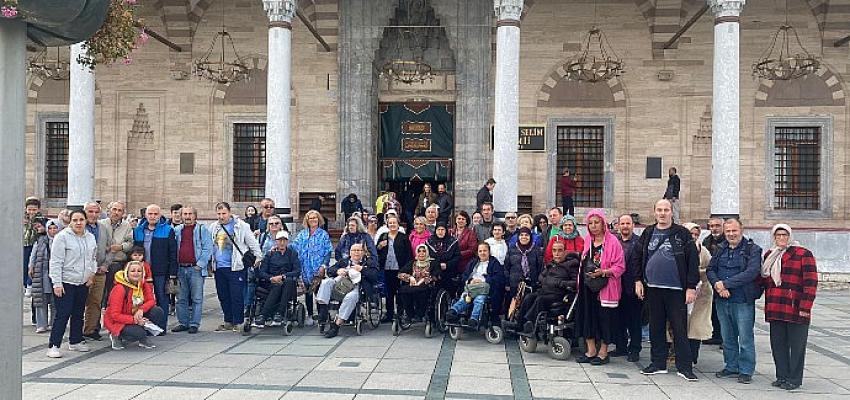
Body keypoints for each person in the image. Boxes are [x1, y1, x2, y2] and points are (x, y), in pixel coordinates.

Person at [635, 199, 700, 381]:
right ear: (654, 212)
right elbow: (638, 257)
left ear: (672, 212)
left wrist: (690, 287)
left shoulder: (682, 234)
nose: (662, 213)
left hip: (676, 290)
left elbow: (692, 262)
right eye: (659, 210)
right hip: (653, 289)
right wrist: (638, 280)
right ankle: (658, 363)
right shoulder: (648, 232)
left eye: (666, 210)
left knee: (679, 329)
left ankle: (684, 367)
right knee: (655, 327)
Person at [760, 224, 817, 391]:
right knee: (778, 345)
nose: (781, 238)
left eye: (784, 235)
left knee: (797, 346)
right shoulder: (770, 255)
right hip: (776, 307)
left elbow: (810, 282)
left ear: (790, 236)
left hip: (796, 308)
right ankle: (781, 375)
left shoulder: (802, 254)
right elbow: (766, 282)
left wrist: (805, 307)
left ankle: (794, 378)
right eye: (778, 235)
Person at [707, 218, 762, 384]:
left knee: (745, 337)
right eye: (728, 231)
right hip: (722, 300)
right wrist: (717, 285)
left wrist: (725, 284)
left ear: (741, 230)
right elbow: (710, 269)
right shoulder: (720, 249)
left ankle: (746, 370)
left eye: (734, 231)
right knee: (727, 336)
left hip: (742, 300)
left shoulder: (753, 250)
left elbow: (751, 273)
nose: (731, 234)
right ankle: (731, 366)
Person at [575, 209, 625, 366]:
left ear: (603, 224)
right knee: (588, 316)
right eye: (590, 223)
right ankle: (590, 350)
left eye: (597, 222)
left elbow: (620, 266)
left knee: (605, 319)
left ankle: (603, 352)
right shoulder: (587, 240)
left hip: (606, 286)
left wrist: (603, 272)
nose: (593, 226)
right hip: (588, 287)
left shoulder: (613, 242)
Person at [47, 210, 97, 358]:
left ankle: (75, 341)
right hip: (65, 282)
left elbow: (93, 258)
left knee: (78, 313)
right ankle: (53, 345)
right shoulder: (62, 237)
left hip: (82, 282)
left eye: (81, 219)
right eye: (75, 220)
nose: (78, 223)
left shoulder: (90, 237)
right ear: (70, 221)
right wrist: (56, 283)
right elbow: (55, 262)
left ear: (86, 221)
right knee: (63, 314)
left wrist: (91, 274)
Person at [209, 202, 263, 332]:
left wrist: (258, 256)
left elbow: (252, 242)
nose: (221, 216)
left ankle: (238, 321)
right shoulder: (213, 227)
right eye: (219, 214)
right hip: (219, 267)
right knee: (223, 295)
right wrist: (209, 263)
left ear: (229, 212)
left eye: (224, 213)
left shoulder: (241, 226)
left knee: (236, 295)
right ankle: (228, 320)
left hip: (236, 266)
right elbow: (210, 246)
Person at [514, 239, 579, 333]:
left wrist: (559, 283)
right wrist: (547, 281)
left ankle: (529, 324)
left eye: (560, 250)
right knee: (529, 297)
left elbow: (575, 283)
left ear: (565, 252)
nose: (557, 253)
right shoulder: (551, 264)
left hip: (559, 294)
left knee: (540, 300)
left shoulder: (571, 265)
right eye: (554, 250)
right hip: (545, 291)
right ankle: (519, 325)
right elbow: (541, 276)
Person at [132, 204, 178, 330]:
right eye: (150, 214)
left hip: (160, 271)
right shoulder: (138, 231)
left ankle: (161, 327)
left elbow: (173, 252)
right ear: (145, 215)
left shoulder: (168, 230)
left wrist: (173, 273)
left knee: (162, 298)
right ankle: (145, 326)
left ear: (160, 215)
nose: (152, 216)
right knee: (141, 299)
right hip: (141, 272)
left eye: (155, 214)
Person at [318, 243, 377, 338]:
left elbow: (374, 276)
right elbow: (329, 271)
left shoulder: (368, 262)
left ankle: (336, 325)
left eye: (359, 250)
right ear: (350, 252)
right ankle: (323, 310)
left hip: (357, 288)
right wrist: (338, 271)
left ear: (363, 252)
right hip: (339, 286)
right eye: (354, 250)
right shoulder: (344, 262)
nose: (356, 252)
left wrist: (362, 269)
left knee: (351, 297)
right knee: (326, 282)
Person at [104, 261, 165, 350]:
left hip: (135, 314)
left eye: (139, 271)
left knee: (157, 311)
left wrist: (141, 310)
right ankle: (115, 335)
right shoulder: (119, 289)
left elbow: (151, 301)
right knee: (139, 333)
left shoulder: (143, 284)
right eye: (132, 271)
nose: (136, 273)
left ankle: (142, 337)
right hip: (118, 321)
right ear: (127, 273)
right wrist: (135, 320)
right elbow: (114, 315)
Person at [172, 206, 213, 334]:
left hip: (195, 269)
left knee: (196, 298)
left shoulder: (202, 229)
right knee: (181, 298)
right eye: (185, 214)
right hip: (180, 268)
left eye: (190, 214)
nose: (187, 216)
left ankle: (194, 323)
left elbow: (208, 248)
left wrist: (200, 265)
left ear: (195, 216)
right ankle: (183, 322)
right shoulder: (177, 230)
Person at [445, 242, 505, 329]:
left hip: (484, 289)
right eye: (480, 251)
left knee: (479, 300)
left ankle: (474, 319)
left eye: (485, 251)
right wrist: (470, 280)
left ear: (489, 252)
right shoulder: (473, 262)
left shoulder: (494, 263)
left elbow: (499, 278)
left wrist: (483, 280)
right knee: (464, 298)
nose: (482, 253)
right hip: (471, 288)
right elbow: (465, 275)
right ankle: (453, 311)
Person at [678, 222, 714, 365]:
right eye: (690, 234)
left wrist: (696, 273)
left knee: (696, 326)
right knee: (679, 325)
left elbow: (710, 268)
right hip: (680, 293)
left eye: (696, 234)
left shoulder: (703, 251)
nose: (693, 237)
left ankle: (693, 356)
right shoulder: (678, 248)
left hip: (700, 294)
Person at [291, 210, 333, 326]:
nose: (313, 220)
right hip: (305, 268)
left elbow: (328, 251)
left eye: (315, 218)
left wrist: (324, 266)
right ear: (307, 221)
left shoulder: (323, 234)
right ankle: (310, 315)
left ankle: (321, 316)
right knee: (308, 293)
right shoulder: (302, 234)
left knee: (320, 293)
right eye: (310, 218)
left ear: (318, 219)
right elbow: (293, 247)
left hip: (318, 268)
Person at [254, 231, 301, 328]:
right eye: (280, 240)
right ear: (276, 241)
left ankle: (279, 312)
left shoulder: (292, 254)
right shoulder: (269, 255)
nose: (282, 243)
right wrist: (271, 278)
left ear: (287, 241)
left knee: (288, 281)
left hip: (287, 281)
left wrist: (283, 276)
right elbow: (262, 272)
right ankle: (263, 315)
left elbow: (297, 270)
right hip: (271, 281)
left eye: (284, 240)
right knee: (277, 285)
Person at [612, 214, 643, 362]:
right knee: (618, 319)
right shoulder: (614, 242)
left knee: (634, 320)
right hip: (616, 286)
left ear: (633, 225)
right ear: (618, 226)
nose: (625, 226)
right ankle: (621, 346)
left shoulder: (639, 243)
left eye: (628, 223)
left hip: (633, 287)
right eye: (622, 223)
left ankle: (635, 349)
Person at [82, 201, 110, 341]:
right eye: (90, 211)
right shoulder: (80, 227)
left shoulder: (103, 228)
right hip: (83, 272)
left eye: (96, 212)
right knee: (80, 301)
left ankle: (90, 329)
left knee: (95, 301)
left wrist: (106, 264)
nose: (93, 215)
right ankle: (77, 329)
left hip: (100, 271)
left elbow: (109, 248)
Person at [377, 214, 412, 323]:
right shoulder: (383, 236)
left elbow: (409, 254)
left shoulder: (403, 237)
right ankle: (389, 314)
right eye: (390, 223)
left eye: (394, 223)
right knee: (389, 293)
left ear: (398, 224)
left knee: (400, 292)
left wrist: (406, 269)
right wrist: (379, 246)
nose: (392, 225)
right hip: (386, 269)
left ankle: (400, 313)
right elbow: (375, 251)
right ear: (387, 224)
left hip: (400, 269)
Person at [101, 201, 134, 309]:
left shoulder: (127, 226)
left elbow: (130, 243)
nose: (116, 212)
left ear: (123, 213)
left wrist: (120, 247)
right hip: (101, 264)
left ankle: (111, 319)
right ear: (109, 211)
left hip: (117, 263)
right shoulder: (101, 224)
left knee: (114, 294)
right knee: (99, 295)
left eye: (119, 210)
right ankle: (95, 323)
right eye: (114, 209)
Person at [503, 227, 544, 313]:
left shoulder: (536, 249)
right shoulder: (512, 249)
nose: (524, 237)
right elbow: (507, 267)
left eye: (526, 235)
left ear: (530, 237)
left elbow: (540, 267)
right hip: (514, 282)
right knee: (514, 306)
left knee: (528, 305)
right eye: (521, 235)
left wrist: (538, 282)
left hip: (532, 283)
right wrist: (507, 283)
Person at [397, 244, 440, 323]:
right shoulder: (413, 263)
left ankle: (420, 314)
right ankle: (410, 315)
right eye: (419, 251)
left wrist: (424, 279)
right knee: (403, 291)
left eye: (424, 251)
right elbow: (400, 273)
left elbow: (436, 276)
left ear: (427, 252)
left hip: (426, 286)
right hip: (413, 285)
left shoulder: (433, 263)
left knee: (422, 291)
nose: (421, 253)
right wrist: (410, 277)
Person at [702, 216, 726, 346]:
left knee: (724, 311)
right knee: (713, 310)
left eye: (717, 225)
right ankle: (716, 335)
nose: (714, 228)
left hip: (723, 280)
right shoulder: (707, 241)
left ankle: (725, 338)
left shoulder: (727, 240)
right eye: (711, 226)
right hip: (710, 279)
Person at [28, 218, 55, 333]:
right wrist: (31, 266)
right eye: (50, 228)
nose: (52, 230)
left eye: (55, 228)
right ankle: (41, 324)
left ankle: (54, 323)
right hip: (42, 272)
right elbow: (33, 254)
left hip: (55, 273)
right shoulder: (40, 240)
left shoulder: (62, 240)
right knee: (41, 298)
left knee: (55, 301)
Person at [427, 222, 461, 295]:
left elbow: (457, 256)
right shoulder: (429, 241)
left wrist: (447, 265)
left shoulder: (453, 241)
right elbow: (427, 256)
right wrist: (437, 265)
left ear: (446, 231)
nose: (440, 232)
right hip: (434, 271)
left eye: (442, 230)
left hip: (449, 271)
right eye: (438, 230)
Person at [23, 197, 44, 297]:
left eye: (34, 209)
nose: (31, 212)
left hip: (35, 244)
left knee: (32, 265)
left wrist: (42, 229)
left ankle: (29, 284)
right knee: (24, 264)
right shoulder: (23, 219)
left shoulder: (41, 219)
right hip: (25, 244)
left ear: (38, 209)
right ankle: (24, 283)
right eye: (29, 209)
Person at [451, 211, 478, 284]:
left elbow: (472, 249)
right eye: (459, 218)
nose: (460, 221)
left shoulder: (470, 233)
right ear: (455, 220)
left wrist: (458, 254)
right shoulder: (450, 232)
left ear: (466, 222)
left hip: (464, 264)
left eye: (463, 219)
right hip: (451, 264)